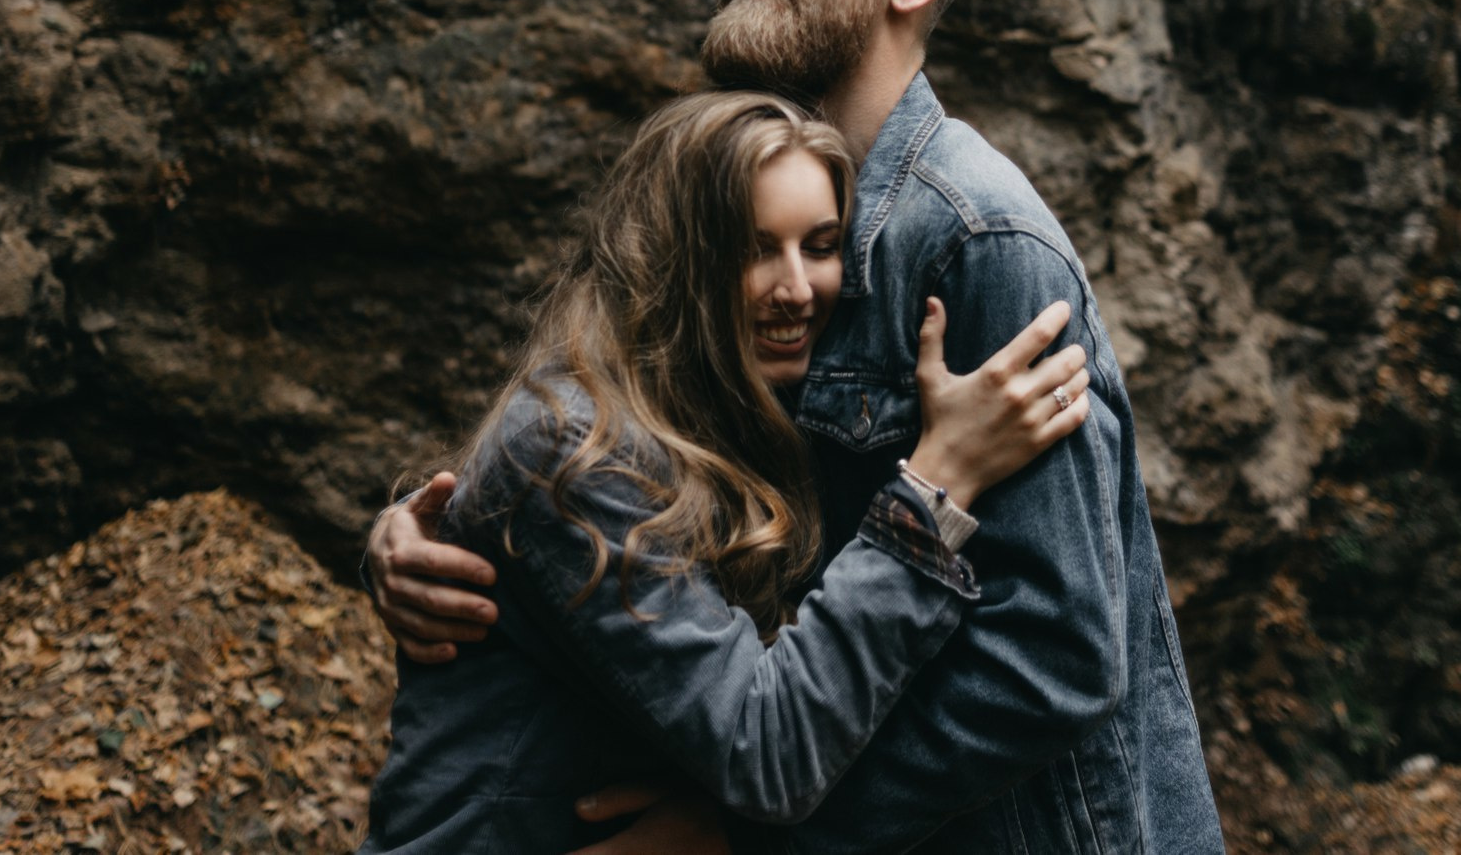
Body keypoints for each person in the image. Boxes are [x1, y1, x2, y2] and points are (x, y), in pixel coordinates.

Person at [369, 0, 1228, 855]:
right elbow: (625, 445)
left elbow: (1054, 653)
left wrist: (746, 837)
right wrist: (453, 528)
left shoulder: (972, 239)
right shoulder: (738, 205)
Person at [362, 90, 1094, 852]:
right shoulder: (573, 448)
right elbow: (767, 752)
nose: (796, 288)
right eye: (752, 248)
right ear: (675, 260)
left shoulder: (740, 413)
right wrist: (935, 488)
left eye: (819, 245)